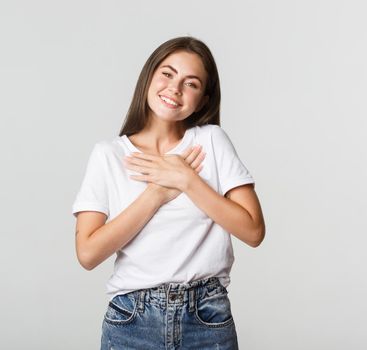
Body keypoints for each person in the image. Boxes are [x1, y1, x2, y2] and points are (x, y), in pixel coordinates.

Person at [71, 36, 265, 350]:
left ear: (203, 99)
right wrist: (156, 194)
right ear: (149, 76)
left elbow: (253, 230)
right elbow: (88, 254)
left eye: (191, 83)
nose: (175, 89)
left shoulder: (212, 142)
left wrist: (188, 180)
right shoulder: (108, 154)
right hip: (131, 319)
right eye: (167, 73)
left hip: (206, 315)